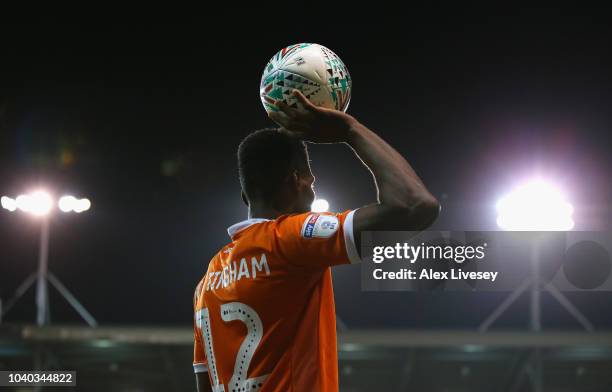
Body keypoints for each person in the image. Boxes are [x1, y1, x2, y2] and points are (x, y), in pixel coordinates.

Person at [194, 91, 439, 392]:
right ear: (298, 181)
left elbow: (204, 384)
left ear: (246, 196)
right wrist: (350, 130)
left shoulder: (207, 282)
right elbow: (415, 205)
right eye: (311, 182)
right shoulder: (287, 240)